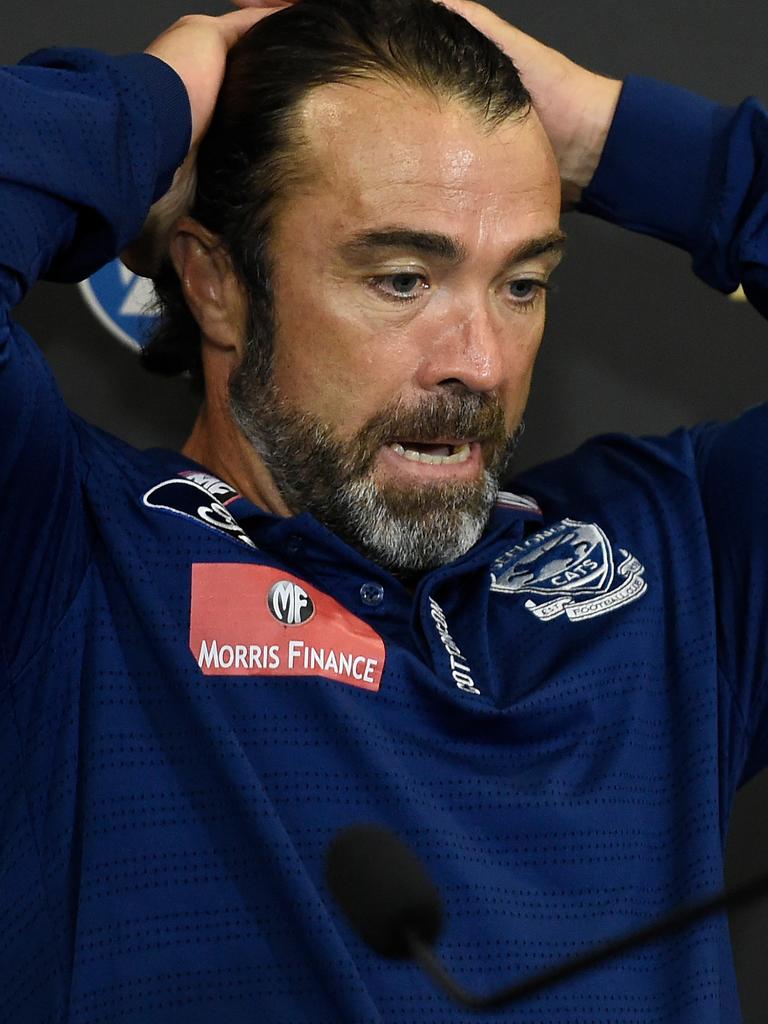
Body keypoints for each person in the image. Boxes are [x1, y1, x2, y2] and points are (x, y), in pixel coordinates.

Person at [1, 0, 766, 1020]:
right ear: (217, 283)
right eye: (405, 279)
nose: (481, 364)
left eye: (523, 283)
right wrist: (156, 104)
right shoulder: (64, 549)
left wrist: (601, 134)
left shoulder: (681, 550)